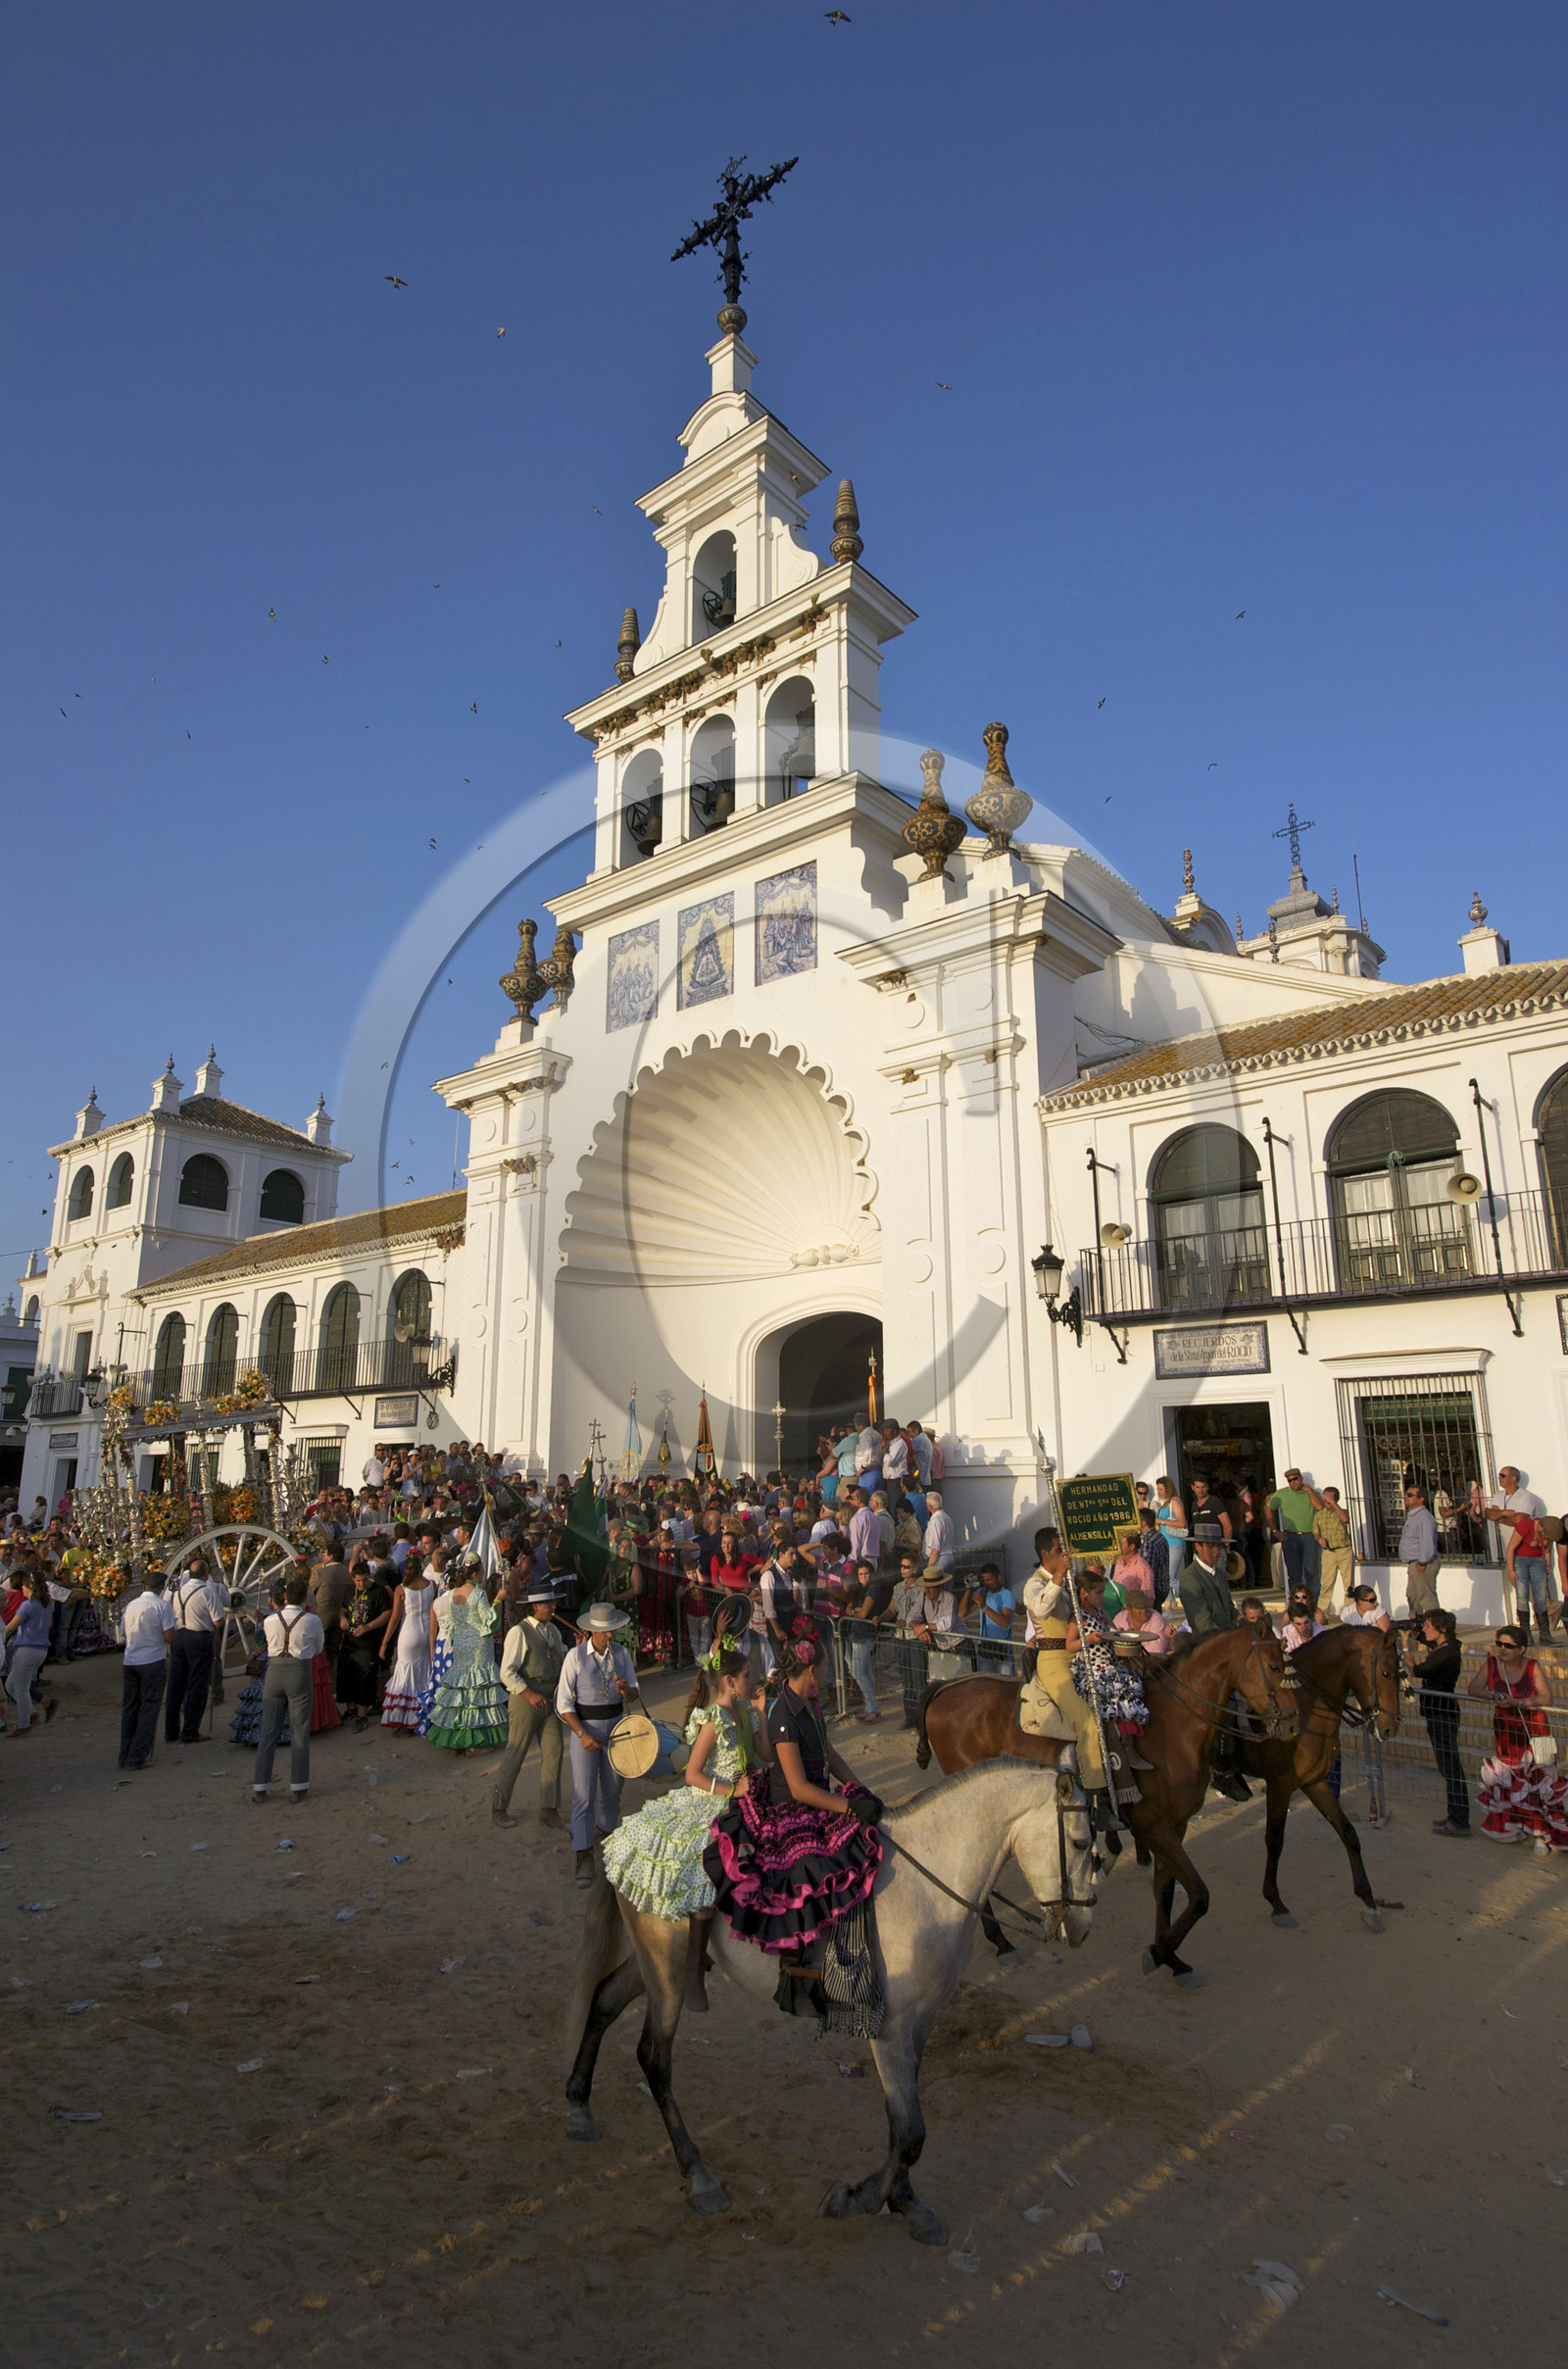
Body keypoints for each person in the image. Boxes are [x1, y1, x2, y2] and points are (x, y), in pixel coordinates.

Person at [601, 1634, 763, 2008]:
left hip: (747, 1795)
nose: (752, 1682)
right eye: (747, 1677)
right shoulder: (713, 1721)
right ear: (729, 1681)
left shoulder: (745, 1712)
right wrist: (732, 1791)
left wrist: (763, 1711)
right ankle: (693, 1966)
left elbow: (766, 1753)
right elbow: (692, 1774)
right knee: (704, 1873)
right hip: (711, 1801)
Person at [703, 1631, 881, 1954]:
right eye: (826, 1666)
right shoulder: (784, 1715)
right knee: (809, 1867)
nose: (829, 1672)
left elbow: (829, 1752)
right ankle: (796, 1961)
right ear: (812, 1671)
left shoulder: (810, 1703)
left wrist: (860, 1791)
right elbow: (798, 1789)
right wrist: (849, 1807)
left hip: (817, 1797)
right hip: (791, 1810)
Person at [557, 1603, 641, 1885]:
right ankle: (582, 1853)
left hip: (616, 1729)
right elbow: (564, 1703)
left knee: (613, 1788)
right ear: (593, 1631)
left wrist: (626, 1690)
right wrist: (582, 1733)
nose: (610, 1636)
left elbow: (633, 1693)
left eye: (612, 1630)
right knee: (584, 1792)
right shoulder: (575, 1657)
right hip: (586, 1730)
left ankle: (606, 1838)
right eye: (605, 1632)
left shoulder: (622, 1654)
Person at [1470, 1625, 1558, 1849]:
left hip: (1534, 1730)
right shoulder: (1491, 1664)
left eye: (1508, 1646)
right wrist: (1494, 1695)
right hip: (1506, 1731)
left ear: (1521, 1649)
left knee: (1538, 1780)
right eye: (1500, 1643)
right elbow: (1474, 1688)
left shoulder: (1531, 1666)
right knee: (1511, 1780)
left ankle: (1542, 1834)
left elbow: (1546, 1697)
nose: (1502, 1649)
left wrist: (1517, 1702)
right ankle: (1517, 1827)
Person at [492, 1579, 568, 1829]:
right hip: (527, 1699)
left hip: (550, 1699)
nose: (553, 1606)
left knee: (554, 1751)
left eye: (553, 1602)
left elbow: (562, 1659)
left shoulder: (554, 1631)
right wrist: (528, 1694)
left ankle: (549, 1809)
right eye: (548, 1602)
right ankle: (498, 1807)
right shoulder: (519, 1632)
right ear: (535, 1607)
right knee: (516, 1752)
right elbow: (507, 1672)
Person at [424, 1555, 509, 1754]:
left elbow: (452, 1623)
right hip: (479, 1646)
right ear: (474, 1573)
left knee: (462, 1688)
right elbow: (491, 1622)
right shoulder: (478, 1595)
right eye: (480, 1572)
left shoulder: (452, 1593)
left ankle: (459, 1735)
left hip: (460, 1644)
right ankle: (475, 1741)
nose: (482, 1576)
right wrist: (498, 1599)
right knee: (476, 1689)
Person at [252, 1575, 321, 1803]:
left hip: (274, 1672)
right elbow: (318, 1648)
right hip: (299, 1671)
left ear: (283, 1597)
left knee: (268, 1731)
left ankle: (260, 1787)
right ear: (304, 1598)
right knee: (299, 1731)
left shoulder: (270, 1620)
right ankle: (299, 1786)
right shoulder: (311, 1620)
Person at [1410, 1608, 1469, 1837]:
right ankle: (1455, 1817)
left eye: (1428, 1626)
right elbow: (1427, 1641)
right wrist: (1415, 1629)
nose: (1424, 1630)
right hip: (1438, 1713)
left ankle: (1460, 1821)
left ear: (1442, 1629)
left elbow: (1417, 1670)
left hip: (1443, 1714)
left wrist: (1405, 1647)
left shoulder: (1448, 1652)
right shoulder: (1448, 1647)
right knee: (1448, 1769)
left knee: (1451, 1769)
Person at [164, 1555, 231, 1747]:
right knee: (197, 1684)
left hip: (179, 1638)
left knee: (176, 1684)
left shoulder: (177, 1590)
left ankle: (171, 1731)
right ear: (206, 1573)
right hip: (198, 1638)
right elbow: (218, 1621)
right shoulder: (208, 1591)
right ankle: (190, 1731)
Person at [890, 1554, 955, 1728]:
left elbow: (945, 1623)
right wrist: (915, 1625)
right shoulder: (910, 1592)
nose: (928, 1590)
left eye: (907, 1566)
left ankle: (923, 1716)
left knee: (921, 1679)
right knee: (908, 1678)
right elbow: (911, 1615)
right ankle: (911, 1716)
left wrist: (922, 1627)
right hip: (911, 1636)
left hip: (947, 1643)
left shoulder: (948, 1598)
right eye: (901, 1566)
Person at [380, 1558, 436, 1732]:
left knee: (406, 1673)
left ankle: (403, 1718)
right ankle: (424, 1713)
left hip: (408, 1632)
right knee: (424, 1672)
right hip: (427, 1632)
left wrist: (384, 1643)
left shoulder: (401, 1589)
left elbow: (396, 1617)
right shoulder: (431, 1584)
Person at [336, 1561, 393, 1731]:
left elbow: (387, 1613)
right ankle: (351, 1709)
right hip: (349, 1643)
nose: (362, 1584)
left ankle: (362, 1714)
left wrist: (369, 1626)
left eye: (365, 1580)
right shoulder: (349, 1591)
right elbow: (343, 1609)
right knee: (346, 1676)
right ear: (353, 1579)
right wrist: (342, 1619)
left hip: (368, 1644)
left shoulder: (378, 1591)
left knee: (365, 1679)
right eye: (358, 1581)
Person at [4, 1575, 53, 1738]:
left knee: (20, 1689)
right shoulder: (47, 1604)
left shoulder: (27, 1605)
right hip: (40, 1650)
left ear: (29, 1588)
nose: (22, 1589)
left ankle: (24, 1724)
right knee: (11, 1686)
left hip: (27, 1649)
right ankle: (31, 1715)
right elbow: (50, 1624)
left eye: (24, 1587)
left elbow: (11, 1626)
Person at [1265, 1468, 1322, 1601]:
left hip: (1309, 1535)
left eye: (1295, 1479)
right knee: (1294, 1573)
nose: (1293, 1482)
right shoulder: (1281, 1494)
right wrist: (1275, 1530)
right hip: (1289, 1536)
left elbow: (1319, 1507)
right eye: (1290, 1480)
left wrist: (1309, 1490)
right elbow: (1268, 1508)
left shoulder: (1311, 1492)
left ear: (1301, 1478)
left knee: (1312, 1572)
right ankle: (1296, 1603)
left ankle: (1312, 1604)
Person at [843, 1557, 886, 1721]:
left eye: (866, 1573)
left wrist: (855, 1611)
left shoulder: (873, 1589)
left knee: (857, 1672)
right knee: (865, 1672)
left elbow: (863, 1613)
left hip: (865, 1635)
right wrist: (855, 1610)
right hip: (856, 1634)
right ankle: (870, 1707)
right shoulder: (859, 1590)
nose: (863, 1577)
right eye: (860, 1574)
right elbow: (849, 1609)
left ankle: (873, 1707)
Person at [1178, 1522, 1237, 1638]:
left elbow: (1229, 1607)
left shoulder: (1220, 1573)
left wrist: (1239, 1619)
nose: (1217, 1551)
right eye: (1211, 1546)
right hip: (1206, 1643)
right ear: (1198, 1546)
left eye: (1219, 1546)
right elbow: (1203, 1624)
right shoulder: (1190, 1578)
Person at [1397, 1485, 1443, 1620]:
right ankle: (1418, 1630)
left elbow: (1427, 1543)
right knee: (1413, 1596)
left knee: (1427, 1599)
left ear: (1421, 1499)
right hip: (1414, 1563)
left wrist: (1422, 1562)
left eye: (1410, 1495)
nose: (1406, 1497)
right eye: (1406, 1494)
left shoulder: (1424, 1518)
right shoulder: (1413, 1516)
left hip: (1422, 1563)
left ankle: (1437, 1628)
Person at [960, 1561, 1015, 1672]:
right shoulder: (982, 1592)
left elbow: (1005, 1623)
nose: (986, 1583)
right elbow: (962, 1613)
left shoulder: (1007, 1595)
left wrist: (985, 1608)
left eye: (989, 1580)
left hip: (1002, 1650)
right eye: (984, 1580)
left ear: (998, 1578)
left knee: (1003, 1686)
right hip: (985, 1648)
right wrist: (968, 1589)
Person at [1311, 1487, 1356, 1622]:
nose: (1326, 1501)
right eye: (1325, 1498)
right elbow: (1315, 1532)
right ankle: (1322, 1614)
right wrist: (1319, 1539)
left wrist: (1334, 1504)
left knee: (1348, 1584)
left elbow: (1345, 1519)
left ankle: (1349, 1614)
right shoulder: (1319, 1515)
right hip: (1328, 1552)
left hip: (1344, 1550)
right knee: (1326, 1583)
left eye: (1329, 1498)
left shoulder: (1341, 1512)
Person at [922, 1490, 955, 1574]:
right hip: (949, 1556)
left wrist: (929, 1568)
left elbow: (935, 1548)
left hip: (939, 1559)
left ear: (929, 1506)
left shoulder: (936, 1521)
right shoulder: (947, 1518)